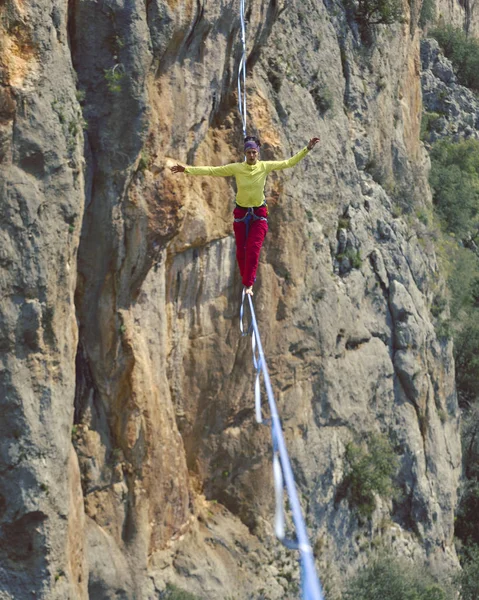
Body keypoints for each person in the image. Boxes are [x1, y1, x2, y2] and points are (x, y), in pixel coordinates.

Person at [170, 136, 320, 295]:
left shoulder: (264, 166)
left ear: (258, 152)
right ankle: (245, 278)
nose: (252, 155)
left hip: (259, 213)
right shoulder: (237, 168)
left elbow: (289, 163)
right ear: (245, 153)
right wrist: (186, 169)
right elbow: (212, 170)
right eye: (249, 152)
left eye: (254, 152)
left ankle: (249, 284)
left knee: (253, 248)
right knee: (241, 250)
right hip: (241, 213)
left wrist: (308, 148)